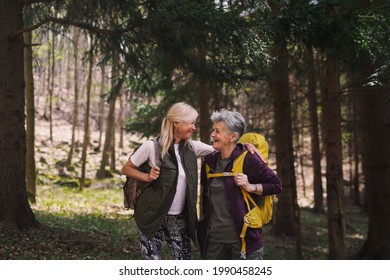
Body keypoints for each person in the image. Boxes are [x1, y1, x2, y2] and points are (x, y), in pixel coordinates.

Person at [121, 102, 214, 260]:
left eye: (195, 123)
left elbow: (225, 149)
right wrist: (147, 176)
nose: (194, 127)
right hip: (151, 214)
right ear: (176, 122)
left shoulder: (193, 147)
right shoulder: (151, 147)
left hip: (178, 218)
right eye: (191, 123)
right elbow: (126, 168)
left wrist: (243, 145)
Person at [197, 109, 282, 260]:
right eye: (213, 130)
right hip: (214, 241)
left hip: (243, 240)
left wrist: (251, 187)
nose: (212, 135)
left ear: (233, 137)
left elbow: (276, 185)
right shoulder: (209, 162)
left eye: (217, 131)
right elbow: (206, 199)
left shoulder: (249, 159)